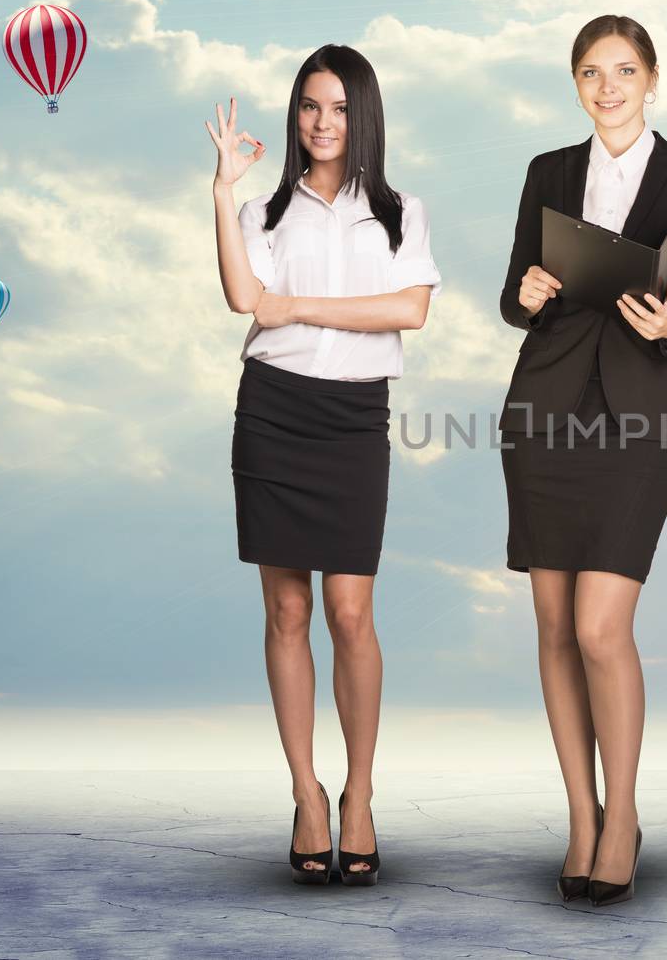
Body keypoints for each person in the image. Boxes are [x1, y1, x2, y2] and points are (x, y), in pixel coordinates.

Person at [496, 15, 667, 906]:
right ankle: (580, 818)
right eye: (591, 72)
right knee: (553, 628)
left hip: (636, 419)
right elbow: (517, 291)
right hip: (543, 411)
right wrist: (525, 293)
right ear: (576, 84)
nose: (608, 86)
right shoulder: (547, 171)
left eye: (624, 69)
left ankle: (622, 815)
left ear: (653, 76)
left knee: (600, 628)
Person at [207, 43, 442, 886]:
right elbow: (244, 300)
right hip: (273, 410)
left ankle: (361, 794)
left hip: (351, 417)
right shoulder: (265, 212)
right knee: (286, 610)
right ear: (294, 113)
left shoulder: (401, 210)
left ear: (365, 115)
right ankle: (307, 793)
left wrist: (300, 305)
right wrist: (223, 192)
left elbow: (408, 309)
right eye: (310, 105)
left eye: (340, 108)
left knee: (350, 613)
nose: (322, 122)